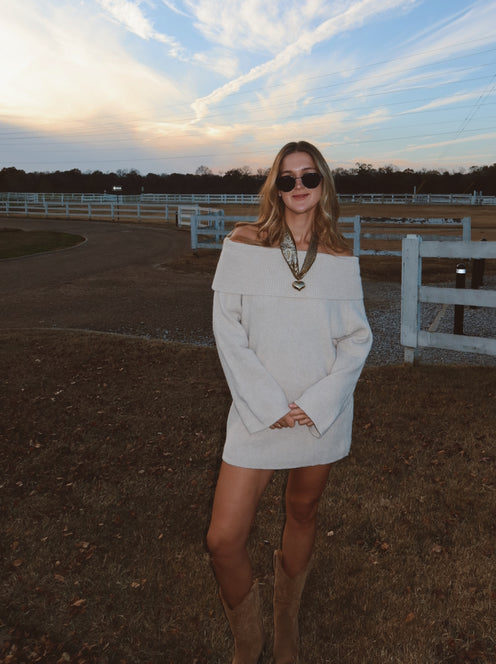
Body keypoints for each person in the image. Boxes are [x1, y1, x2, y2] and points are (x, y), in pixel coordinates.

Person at [206, 140, 372, 664]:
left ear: (323, 184)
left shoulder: (342, 256)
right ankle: (247, 643)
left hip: (319, 414)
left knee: (302, 511)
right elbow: (225, 326)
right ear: (274, 187)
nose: (298, 187)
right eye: (286, 179)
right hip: (258, 412)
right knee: (223, 539)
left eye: (308, 177)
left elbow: (357, 338)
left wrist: (318, 403)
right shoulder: (245, 241)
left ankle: (286, 627)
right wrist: (268, 402)